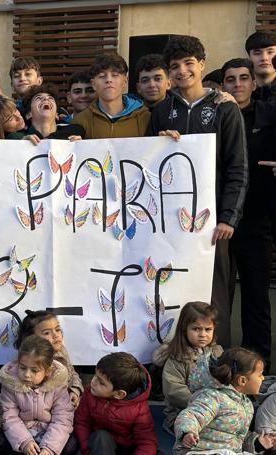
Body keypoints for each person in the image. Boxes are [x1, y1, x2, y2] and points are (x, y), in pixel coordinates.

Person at [147, 35, 248, 349]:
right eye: (175, 66)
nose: (182, 71)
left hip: (211, 224)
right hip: (169, 225)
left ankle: (216, 365)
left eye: (189, 63)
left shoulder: (224, 109)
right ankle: (171, 366)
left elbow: (238, 168)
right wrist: (158, 144)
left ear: (202, 64)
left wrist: (229, 217)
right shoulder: (162, 111)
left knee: (212, 297)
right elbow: (146, 167)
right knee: (169, 291)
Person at [222, 57, 276, 372]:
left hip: (257, 220)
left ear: (254, 84)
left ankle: (258, 365)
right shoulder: (216, 115)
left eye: (244, 78)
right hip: (218, 220)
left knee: (255, 298)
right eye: (231, 79)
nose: (238, 84)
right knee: (216, 297)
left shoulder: (269, 114)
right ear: (223, 85)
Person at [173, 348, 273, 454]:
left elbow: (236, 436)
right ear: (242, 380)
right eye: (259, 375)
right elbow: (191, 416)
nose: (263, 378)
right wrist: (188, 432)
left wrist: (257, 442)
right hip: (200, 451)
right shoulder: (214, 397)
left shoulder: (246, 404)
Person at [0, 335, 77, 455]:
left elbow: (63, 418)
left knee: (71, 445)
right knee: (2, 442)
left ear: (48, 371)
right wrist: (25, 442)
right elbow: (8, 417)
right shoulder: (10, 383)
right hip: (20, 433)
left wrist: (49, 447)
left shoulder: (58, 385)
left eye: (34, 370)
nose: (27, 375)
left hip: (49, 433)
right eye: (23, 368)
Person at [152, 302, 223, 433]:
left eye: (208, 329)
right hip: (183, 412)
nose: (203, 334)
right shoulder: (176, 358)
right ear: (184, 329)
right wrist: (202, 404)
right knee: (207, 433)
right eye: (196, 329)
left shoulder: (216, 353)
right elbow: (174, 390)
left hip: (215, 408)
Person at [74, 352, 157, 455]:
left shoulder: (139, 409)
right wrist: (86, 449)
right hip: (99, 445)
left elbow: (146, 441)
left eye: (101, 382)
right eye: (95, 375)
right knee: (100, 436)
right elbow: (81, 422)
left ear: (119, 394)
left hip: (127, 448)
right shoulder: (90, 393)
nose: (93, 382)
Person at [71, 53, 150, 139]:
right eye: (102, 76)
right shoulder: (80, 121)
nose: (109, 80)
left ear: (125, 81)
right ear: (93, 84)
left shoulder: (145, 118)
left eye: (115, 75)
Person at [15, 310, 83, 408]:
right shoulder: (28, 360)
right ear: (31, 338)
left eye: (57, 329)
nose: (55, 335)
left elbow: (72, 373)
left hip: (65, 407)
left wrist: (75, 390)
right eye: (47, 333)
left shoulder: (62, 352)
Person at [245, 31, 276, 101]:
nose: (264, 58)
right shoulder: (240, 89)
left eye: (270, 52)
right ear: (249, 58)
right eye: (257, 53)